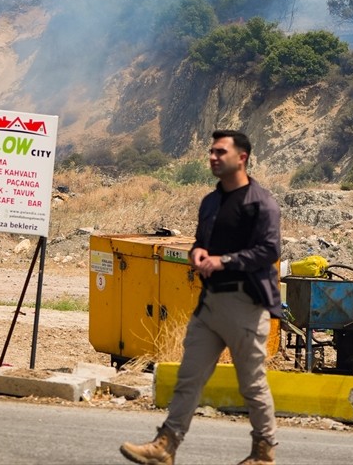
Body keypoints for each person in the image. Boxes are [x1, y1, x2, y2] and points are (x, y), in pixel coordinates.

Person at [120, 130, 282, 465]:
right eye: (211, 151)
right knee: (188, 378)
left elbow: (269, 251)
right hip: (210, 304)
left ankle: (263, 453)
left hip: (245, 305)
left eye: (221, 152)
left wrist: (224, 261)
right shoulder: (211, 202)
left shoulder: (261, 203)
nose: (213, 157)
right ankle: (165, 446)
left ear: (242, 158)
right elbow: (200, 243)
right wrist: (198, 253)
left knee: (251, 384)